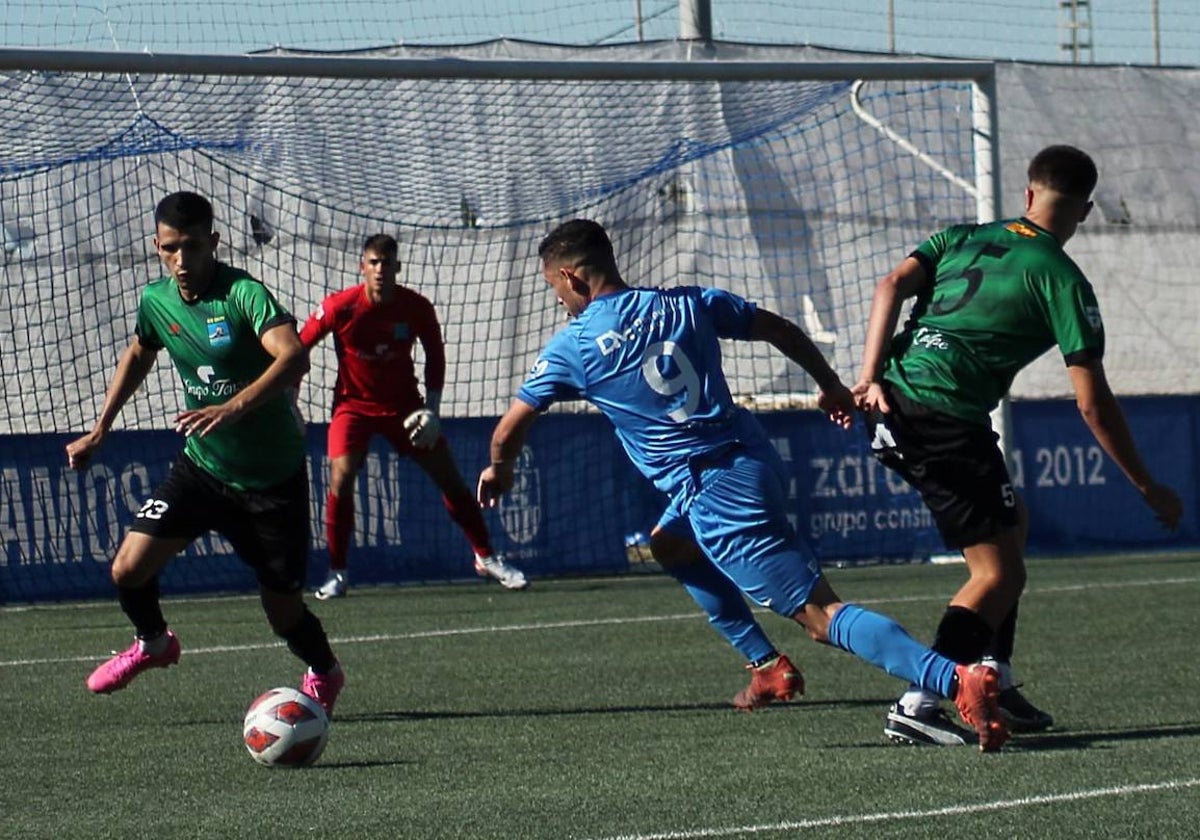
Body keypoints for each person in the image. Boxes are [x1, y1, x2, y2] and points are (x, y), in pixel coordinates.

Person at [477, 218, 1009, 751]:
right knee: (669, 542)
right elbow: (783, 330)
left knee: (822, 617)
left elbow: (508, 430)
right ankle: (767, 665)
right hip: (753, 459)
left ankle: (954, 681)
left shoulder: (573, 347)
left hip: (716, 492)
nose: (559, 303)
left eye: (554, 290)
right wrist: (829, 387)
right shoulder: (687, 302)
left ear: (571, 277)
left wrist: (500, 469)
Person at [852, 144, 1183, 746]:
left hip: (893, 401)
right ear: (1083, 212)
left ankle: (993, 675)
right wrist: (1148, 486)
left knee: (1014, 527)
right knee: (997, 572)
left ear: (1029, 194)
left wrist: (869, 374)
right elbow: (1093, 404)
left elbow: (889, 285)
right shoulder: (1062, 277)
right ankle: (920, 701)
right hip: (942, 418)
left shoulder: (960, 236)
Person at [66, 191, 345, 715]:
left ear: (213, 243)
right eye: (170, 248)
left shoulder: (243, 294)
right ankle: (154, 642)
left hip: (271, 479)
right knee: (127, 570)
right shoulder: (156, 300)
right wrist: (100, 429)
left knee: (283, 614)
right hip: (203, 467)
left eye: (192, 247)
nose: (181, 260)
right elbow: (139, 352)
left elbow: (294, 357)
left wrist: (233, 407)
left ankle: (325, 671)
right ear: (156, 246)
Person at [300, 233, 527, 599]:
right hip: (352, 407)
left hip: (406, 408)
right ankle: (337, 572)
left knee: (450, 478)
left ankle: (486, 556)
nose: (379, 270)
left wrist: (432, 412)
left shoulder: (416, 306)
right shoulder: (339, 307)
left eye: (386, 263)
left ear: (397, 268)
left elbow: (435, 356)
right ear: (362, 267)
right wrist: (291, 401)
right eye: (373, 262)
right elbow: (298, 348)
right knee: (340, 477)